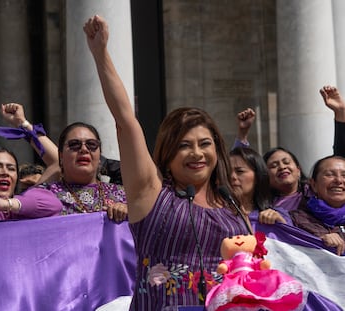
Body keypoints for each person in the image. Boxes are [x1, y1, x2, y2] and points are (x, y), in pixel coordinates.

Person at [83, 15, 250, 309]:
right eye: (184, 146)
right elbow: (126, 122)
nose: (197, 153)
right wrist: (101, 53)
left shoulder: (234, 206)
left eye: (204, 144)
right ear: (167, 154)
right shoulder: (152, 194)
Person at [0, 120, 128, 222]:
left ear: (99, 155)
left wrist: (129, 212)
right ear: (61, 155)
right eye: (74, 145)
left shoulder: (124, 195)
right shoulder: (46, 193)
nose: (83, 149)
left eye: (92, 145)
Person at [290, 155, 345, 256]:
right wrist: (319, 241)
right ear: (313, 184)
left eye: (344, 175)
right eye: (329, 174)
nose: (339, 180)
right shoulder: (295, 219)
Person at [229, 147, 290, 224]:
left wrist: (282, 225)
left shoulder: (278, 216)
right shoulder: (216, 216)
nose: (232, 177)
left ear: (258, 176)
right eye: (227, 172)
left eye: (240, 171)